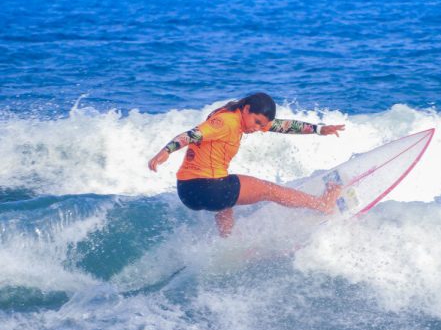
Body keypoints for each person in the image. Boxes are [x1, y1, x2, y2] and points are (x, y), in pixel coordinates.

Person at [148, 93, 345, 236]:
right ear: (247, 109)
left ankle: (227, 242)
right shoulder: (225, 122)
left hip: (187, 192)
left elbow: (282, 126)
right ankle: (322, 204)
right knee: (269, 190)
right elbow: (192, 135)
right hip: (208, 188)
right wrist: (166, 151)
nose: (257, 129)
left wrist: (319, 129)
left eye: (261, 125)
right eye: (256, 122)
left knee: (225, 200)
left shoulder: (238, 116)